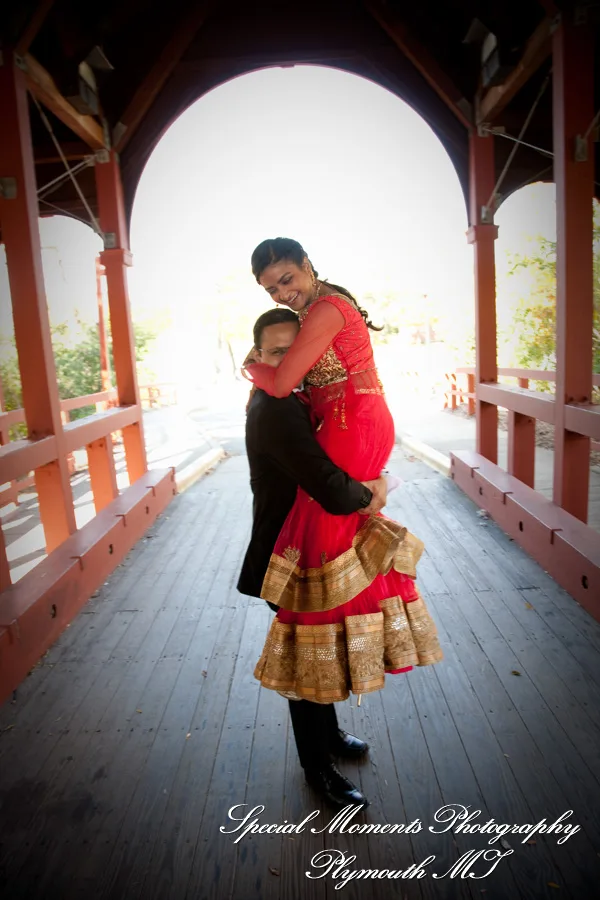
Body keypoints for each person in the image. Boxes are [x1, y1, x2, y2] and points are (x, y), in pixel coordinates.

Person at [243, 237, 443, 707]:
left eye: (286, 279)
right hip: (357, 417)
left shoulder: (326, 309)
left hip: (349, 419)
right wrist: (378, 486)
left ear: (308, 266)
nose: (280, 292)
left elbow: (286, 381)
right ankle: (345, 642)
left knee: (320, 545)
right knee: (337, 536)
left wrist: (252, 368)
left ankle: (326, 643)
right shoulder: (325, 304)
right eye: (269, 289)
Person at [238, 307, 390, 807]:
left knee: (319, 649)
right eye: (276, 352)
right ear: (261, 355)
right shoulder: (276, 409)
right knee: (310, 666)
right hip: (286, 556)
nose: (288, 360)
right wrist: (373, 495)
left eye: (295, 350)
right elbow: (324, 483)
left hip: (304, 548)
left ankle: (328, 737)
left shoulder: (291, 395)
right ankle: (317, 769)